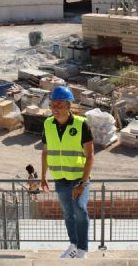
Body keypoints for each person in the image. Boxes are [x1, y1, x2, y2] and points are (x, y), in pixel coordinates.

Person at [40, 86, 94, 259]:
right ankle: (73, 245)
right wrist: (43, 177)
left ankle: (83, 250)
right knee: (68, 213)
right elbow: (45, 152)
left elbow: (90, 155)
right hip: (60, 179)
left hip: (78, 178)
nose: (55, 108)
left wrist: (83, 183)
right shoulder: (48, 124)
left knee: (79, 209)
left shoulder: (81, 124)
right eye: (52, 104)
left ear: (68, 105)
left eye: (59, 104)